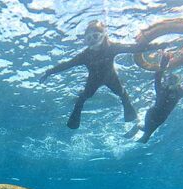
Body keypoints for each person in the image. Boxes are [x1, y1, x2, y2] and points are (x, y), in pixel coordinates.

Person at [39, 20, 170, 129]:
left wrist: (157, 46)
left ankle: (128, 110)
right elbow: (67, 64)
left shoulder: (112, 47)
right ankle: (75, 115)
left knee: (122, 94)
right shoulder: (84, 56)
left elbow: (134, 48)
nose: (92, 40)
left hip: (111, 78)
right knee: (83, 98)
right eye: (89, 38)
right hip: (94, 80)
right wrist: (49, 72)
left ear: (103, 35)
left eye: (95, 36)